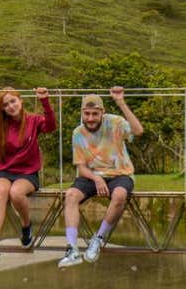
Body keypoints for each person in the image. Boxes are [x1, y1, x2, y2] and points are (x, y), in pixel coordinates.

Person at [58, 86, 143, 268]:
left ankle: (98, 239)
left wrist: (120, 102)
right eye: (87, 114)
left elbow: (138, 131)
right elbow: (81, 168)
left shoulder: (115, 122)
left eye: (94, 114)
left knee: (119, 195)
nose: (90, 118)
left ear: (102, 112)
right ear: (82, 113)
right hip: (91, 175)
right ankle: (72, 249)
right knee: (71, 195)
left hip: (120, 173)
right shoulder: (78, 133)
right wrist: (97, 179)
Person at [0, 86, 55, 257]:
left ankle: (26, 226)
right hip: (4, 171)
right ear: (2, 109)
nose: (11, 106)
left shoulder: (33, 121)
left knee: (16, 193)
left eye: (13, 101)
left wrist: (45, 100)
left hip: (27, 173)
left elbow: (51, 126)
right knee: (2, 190)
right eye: (6, 104)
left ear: (20, 101)